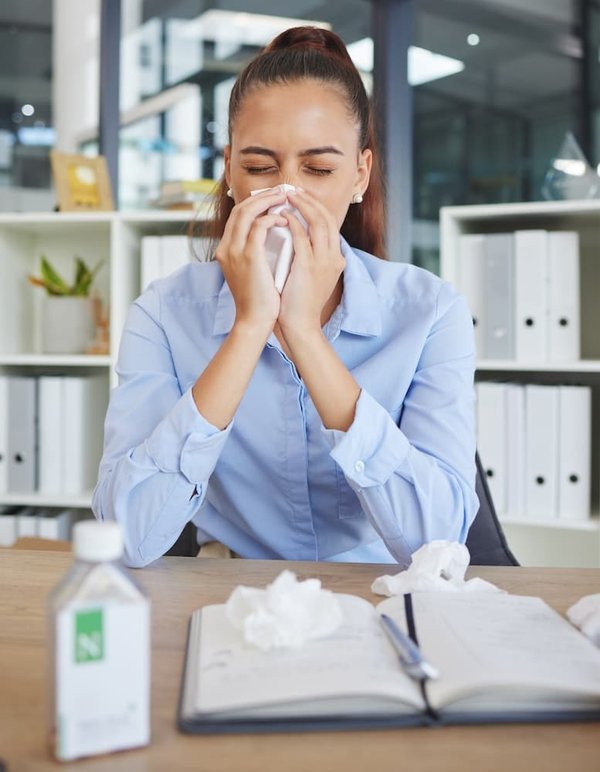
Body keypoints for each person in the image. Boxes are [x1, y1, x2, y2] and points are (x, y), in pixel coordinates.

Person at [93, 26, 479, 568]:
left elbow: (437, 542)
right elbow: (128, 537)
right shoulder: (163, 313)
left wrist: (304, 335)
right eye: (259, 168)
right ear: (229, 170)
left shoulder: (430, 311)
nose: (288, 196)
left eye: (319, 169)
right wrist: (250, 328)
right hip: (228, 593)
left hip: (379, 591)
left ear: (360, 174)